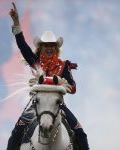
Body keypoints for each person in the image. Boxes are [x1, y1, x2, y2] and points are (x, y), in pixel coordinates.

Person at [7, 2, 89, 150]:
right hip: (36, 105)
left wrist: (64, 83)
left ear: (56, 48)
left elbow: (73, 88)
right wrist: (17, 23)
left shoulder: (64, 65)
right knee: (16, 133)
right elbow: (22, 46)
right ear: (41, 47)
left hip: (59, 106)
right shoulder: (36, 62)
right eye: (46, 45)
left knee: (80, 133)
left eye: (52, 45)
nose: (49, 48)